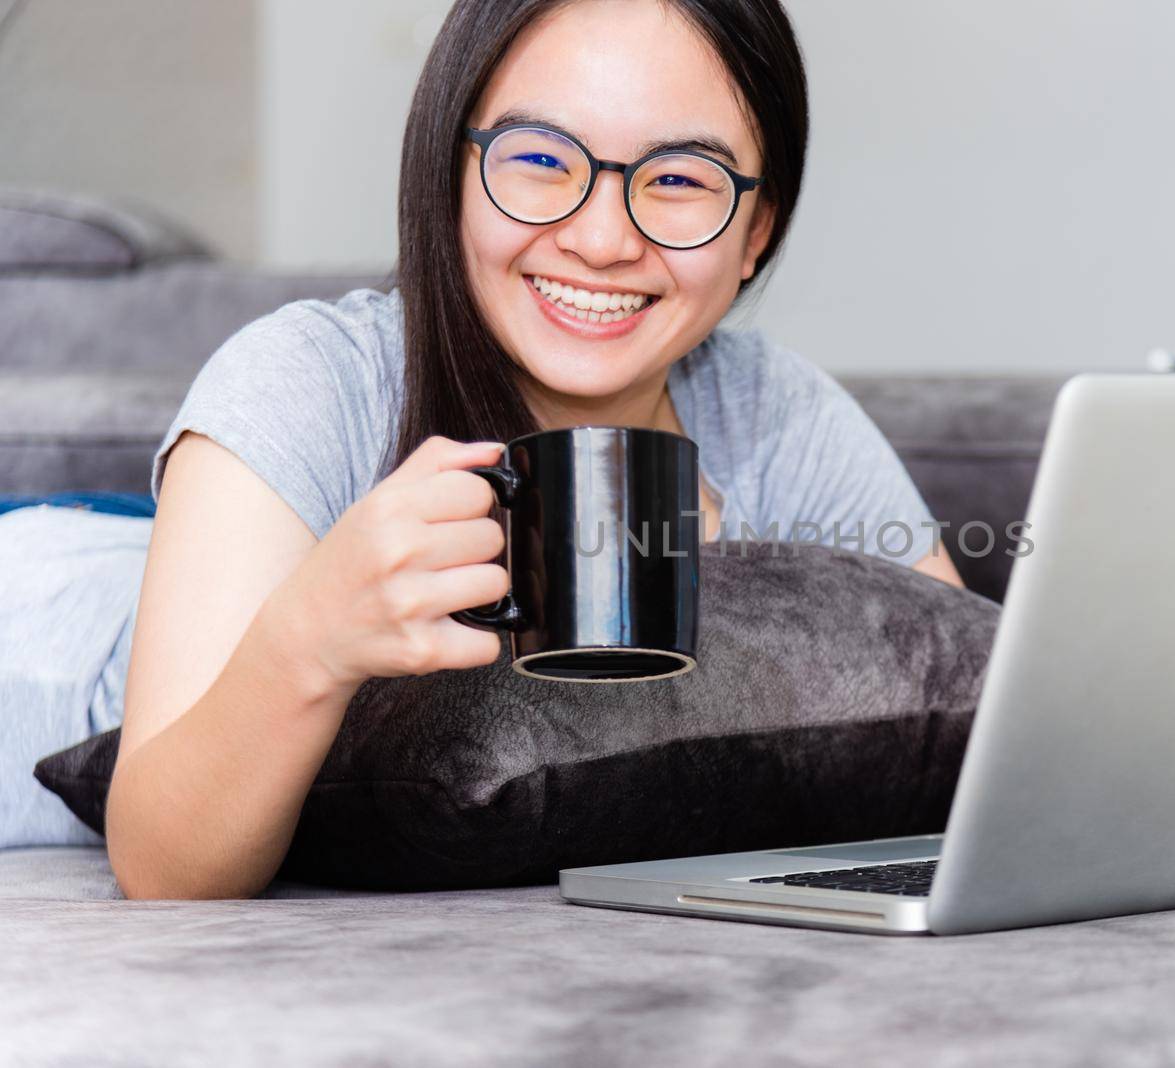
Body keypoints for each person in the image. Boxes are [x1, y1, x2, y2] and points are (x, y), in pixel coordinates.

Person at [1, 0, 963, 898]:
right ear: (452, 169)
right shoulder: (308, 380)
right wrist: (306, 641)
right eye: (541, 159)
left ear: (756, 229)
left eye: (676, 180)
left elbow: (961, 703)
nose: (599, 239)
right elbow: (164, 868)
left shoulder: (780, 416)